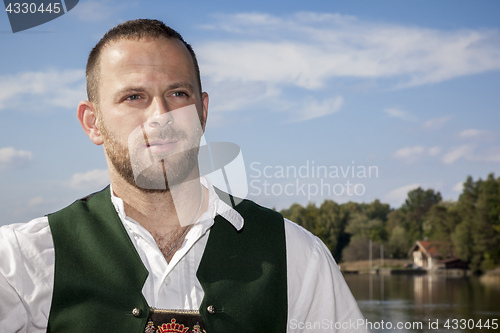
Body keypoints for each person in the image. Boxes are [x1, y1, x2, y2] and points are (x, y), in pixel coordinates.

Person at [0, 19, 369, 332]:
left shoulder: (298, 256)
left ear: (202, 111)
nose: (161, 115)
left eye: (177, 93)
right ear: (92, 122)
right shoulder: (20, 263)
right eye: (134, 97)